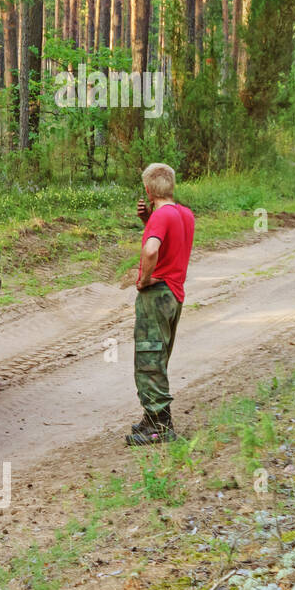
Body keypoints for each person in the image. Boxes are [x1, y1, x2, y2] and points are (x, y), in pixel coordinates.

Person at [128, 162, 195, 445]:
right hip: (174, 294)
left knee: (149, 359)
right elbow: (171, 244)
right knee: (159, 356)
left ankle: (158, 426)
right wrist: (149, 221)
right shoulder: (185, 214)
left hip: (157, 295)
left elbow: (153, 248)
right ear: (171, 186)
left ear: (147, 189)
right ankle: (151, 418)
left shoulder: (161, 217)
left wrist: (144, 279)